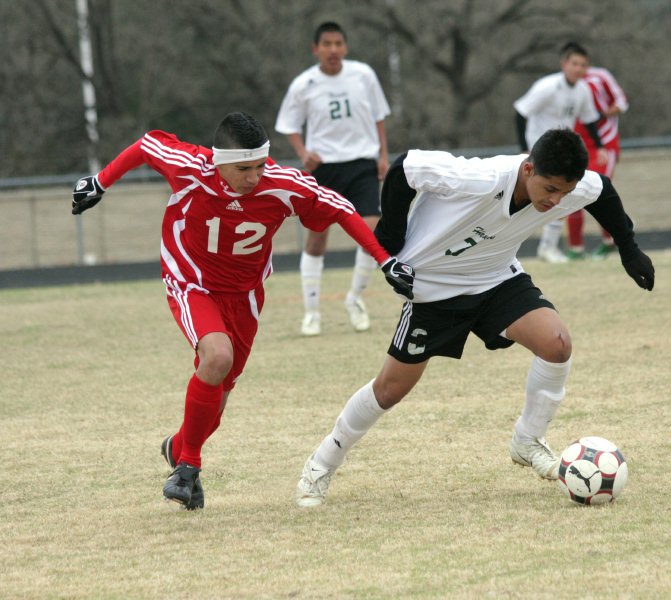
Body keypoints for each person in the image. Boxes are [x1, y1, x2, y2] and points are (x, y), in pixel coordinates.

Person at [293, 129, 655, 507]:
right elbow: (405, 167)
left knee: (557, 343)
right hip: (433, 289)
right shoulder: (479, 178)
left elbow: (604, 191)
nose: (556, 201)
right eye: (549, 189)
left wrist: (629, 249)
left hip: (496, 279)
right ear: (528, 169)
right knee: (390, 389)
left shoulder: (564, 188)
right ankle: (321, 464)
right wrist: (392, 235)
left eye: (565, 193)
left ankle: (527, 441)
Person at [70, 112, 413, 510]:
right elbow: (147, 145)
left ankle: (178, 448)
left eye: (259, 165)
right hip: (191, 282)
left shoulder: (281, 185)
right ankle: (187, 468)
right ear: (219, 161)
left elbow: (339, 208)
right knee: (216, 356)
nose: (253, 177)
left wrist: (384, 261)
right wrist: (99, 182)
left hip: (245, 296)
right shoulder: (190, 167)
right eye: (243, 168)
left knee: (216, 404)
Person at [275, 21, 391, 336]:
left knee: (371, 234)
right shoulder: (304, 83)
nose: (333, 50)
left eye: (338, 43)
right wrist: (302, 151)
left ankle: (355, 299)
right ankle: (311, 312)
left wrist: (383, 155)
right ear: (316, 49)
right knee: (316, 238)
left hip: (362, 164)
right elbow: (288, 124)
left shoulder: (363, 75)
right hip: (325, 168)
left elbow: (379, 116)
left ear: (346, 47)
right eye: (326, 44)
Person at [514, 42, 608, 264]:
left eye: (583, 65)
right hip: (538, 152)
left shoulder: (583, 90)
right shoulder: (547, 86)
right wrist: (524, 149)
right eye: (574, 63)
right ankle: (521, 249)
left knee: (563, 196)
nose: (578, 68)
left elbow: (590, 119)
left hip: (561, 152)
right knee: (530, 200)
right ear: (564, 63)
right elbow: (520, 112)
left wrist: (600, 146)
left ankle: (548, 247)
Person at [571, 64, 630, 260]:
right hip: (577, 145)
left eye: (579, 63)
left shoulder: (599, 77)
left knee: (599, 192)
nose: (576, 68)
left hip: (603, 145)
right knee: (570, 192)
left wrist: (606, 114)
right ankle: (575, 249)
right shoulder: (559, 86)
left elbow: (622, 102)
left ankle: (613, 242)